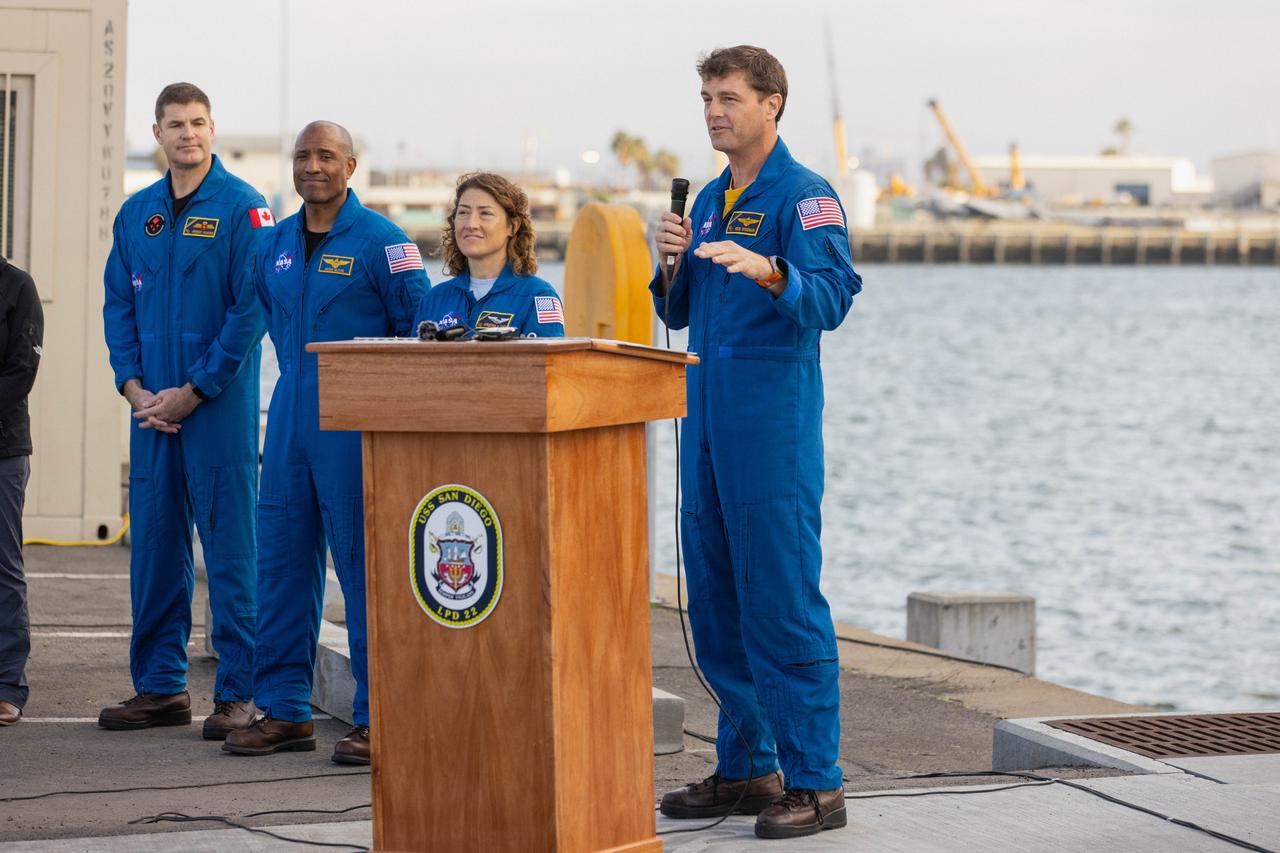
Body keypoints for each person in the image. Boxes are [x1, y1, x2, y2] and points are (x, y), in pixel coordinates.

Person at [650, 46, 861, 839]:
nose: (713, 110)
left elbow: (834, 296)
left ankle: (818, 782)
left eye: (729, 96)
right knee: (715, 602)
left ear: (773, 103)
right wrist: (667, 262)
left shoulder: (804, 196)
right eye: (706, 96)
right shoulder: (706, 200)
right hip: (703, 423)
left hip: (769, 428)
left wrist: (775, 273)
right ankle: (748, 763)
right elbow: (677, 312)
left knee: (779, 600)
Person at [224, 121, 427, 764]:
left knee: (366, 568)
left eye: (326, 156)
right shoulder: (273, 244)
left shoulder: (384, 244)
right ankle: (284, 709)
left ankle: (378, 715)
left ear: (350, 166)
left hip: (355, 422)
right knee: (280, 563)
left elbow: (420, 334)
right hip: (288, 415)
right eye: (303, 156)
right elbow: (263, 316)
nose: (313, 166)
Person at [101, 83, 270, 739]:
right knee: (155, 549)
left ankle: (239, 693)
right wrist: (134, 386)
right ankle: (160, 687)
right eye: (175, 124)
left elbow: (250, 312)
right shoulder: (137, 213)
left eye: (198, 123)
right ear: (158, 132)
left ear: (212, 128)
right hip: (152, 411)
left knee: (231, 551)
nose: (188, 134)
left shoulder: (243, 209)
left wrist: (195, 390)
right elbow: (118, 305)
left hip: (215, 409)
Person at [413, 172, 564, 339]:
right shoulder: (434, 299)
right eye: (463, 212)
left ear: (512, 226)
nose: (471, 224)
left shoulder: (539, 297)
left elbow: (548, 363)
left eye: (485, 213)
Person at [0, 258, 43, 727]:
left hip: (3, 451)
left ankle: (7, 684)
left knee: (2, 565)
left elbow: (21, 371)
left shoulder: (17, 287)